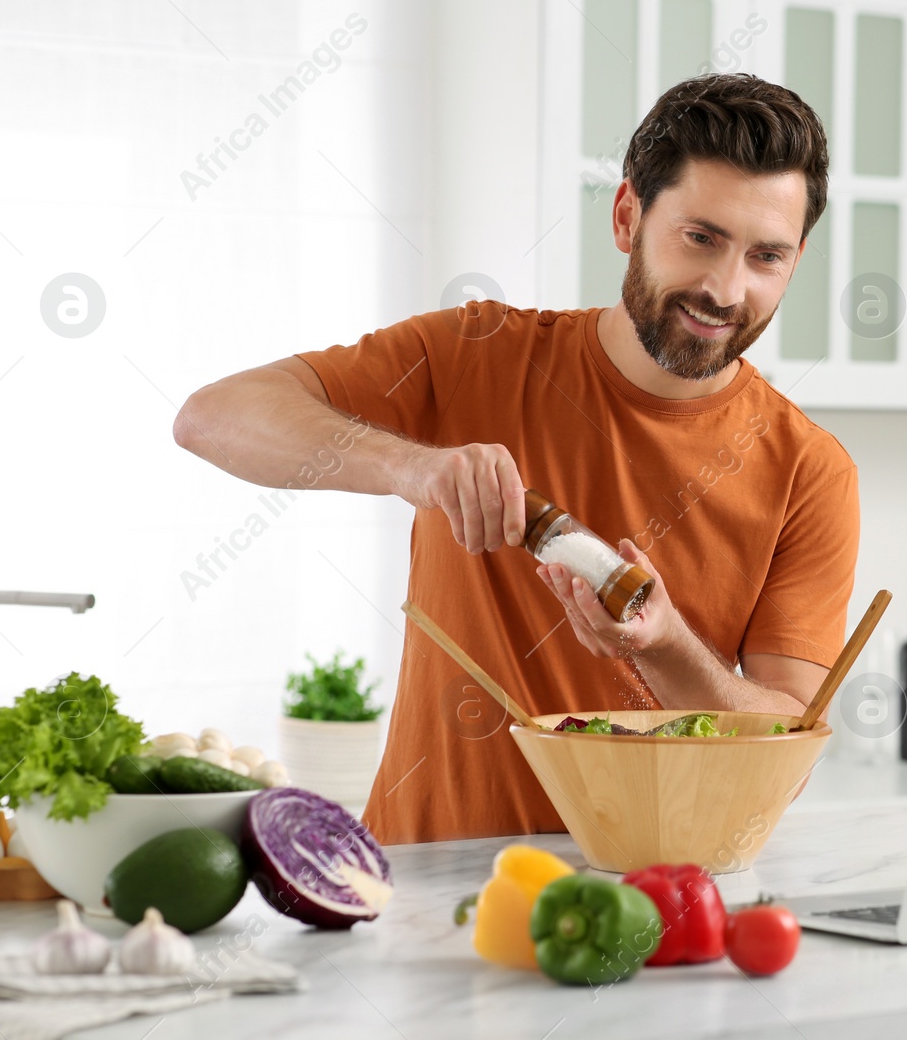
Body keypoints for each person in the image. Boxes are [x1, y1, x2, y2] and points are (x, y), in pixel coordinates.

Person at [174, 73, 860, 844]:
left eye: (765, 256)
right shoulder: (476, 354)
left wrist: (666, 648)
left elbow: (787, 753)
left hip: (647, 904)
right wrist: (412, 468)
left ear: (795, 261)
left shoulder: (808, 469)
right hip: (427, 893)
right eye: (700, 238)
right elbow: (211, 418)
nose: (725, 289)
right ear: (628, 216)